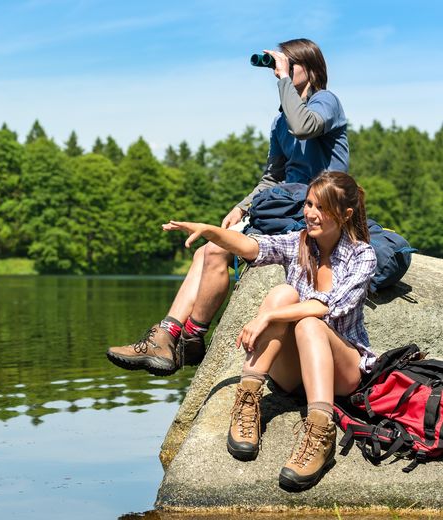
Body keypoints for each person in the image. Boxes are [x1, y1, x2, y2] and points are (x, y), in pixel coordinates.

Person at [106, 38, 349, 376]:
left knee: (217, 251)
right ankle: (168, 334)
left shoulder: (326, 102)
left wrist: (282, 81)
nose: (280, 72)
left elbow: (303, 127)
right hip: (285, 210)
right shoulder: (280, 122)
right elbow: (272, 177)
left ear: (310, 69)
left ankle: (190, 336)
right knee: (205, 251)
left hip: (318, 212)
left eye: (288, 65)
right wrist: (243, 208)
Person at [163, 171, 376, 491]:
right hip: (293, 375)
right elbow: (251, 246)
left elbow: (326, 307)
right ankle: (248, 400)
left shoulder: (362, 256)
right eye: (308, 204)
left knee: (307, 321)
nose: (310, 213)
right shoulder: (299, 242)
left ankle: (320, 431)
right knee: (283, 294)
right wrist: (211, 231)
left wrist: (268, 317)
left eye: (322, 207)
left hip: (340, 374)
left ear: (346, 214)